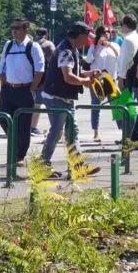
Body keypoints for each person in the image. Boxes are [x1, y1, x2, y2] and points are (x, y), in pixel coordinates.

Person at [40, 21, 102, 178]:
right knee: (57, 131)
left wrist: (91, 73)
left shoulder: (71, 48)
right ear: (80, 35)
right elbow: (68, 77)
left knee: (71, 131)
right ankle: (43, 165)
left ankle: (77, 165)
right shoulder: (66, 51)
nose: (88, 41)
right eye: (86, 37)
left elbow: (77, 72)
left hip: (64, 97)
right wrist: (86, 82)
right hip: (56, 97)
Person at [0, 18, 45, 168]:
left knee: (24, 125)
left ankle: (19, 155)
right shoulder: (8, 45)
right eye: (12, 28)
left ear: (25, 29)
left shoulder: (33, 46)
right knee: (3, 118)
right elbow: (2, 66)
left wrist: (31, 89)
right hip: (8, 89)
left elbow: (40, 70)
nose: (14, 31)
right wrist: (3, 85)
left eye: (17, 28)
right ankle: (15, 144)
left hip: (25, 90)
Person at [87, 26, 120, 142]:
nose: (107, 34)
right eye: (105, 32)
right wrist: (97, 46)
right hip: (97, 81)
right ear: (99, 34)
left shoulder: (114, 45)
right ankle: (95, 132)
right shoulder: (93, 47)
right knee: (96, 105)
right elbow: (89, 60)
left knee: (117, 106)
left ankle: (123, 131)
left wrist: (109, 45)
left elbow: (119, 57)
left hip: (111, 80)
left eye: (109, 32)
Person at [30, 27, 56, 136]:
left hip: (31, 77)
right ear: (46, 35)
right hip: (45, 78)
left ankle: (29, 125)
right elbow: (55, 60)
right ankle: (34, 127)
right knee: (45, 103)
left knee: (34, 102)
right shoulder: (48, 44)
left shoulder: (31, 45)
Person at [117, 15, 138, 93]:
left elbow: (125, 60)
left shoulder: (128, 40)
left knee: (127, 102)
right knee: (135, 102)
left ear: (125, 25)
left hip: (128, 76)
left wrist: (121, 78)